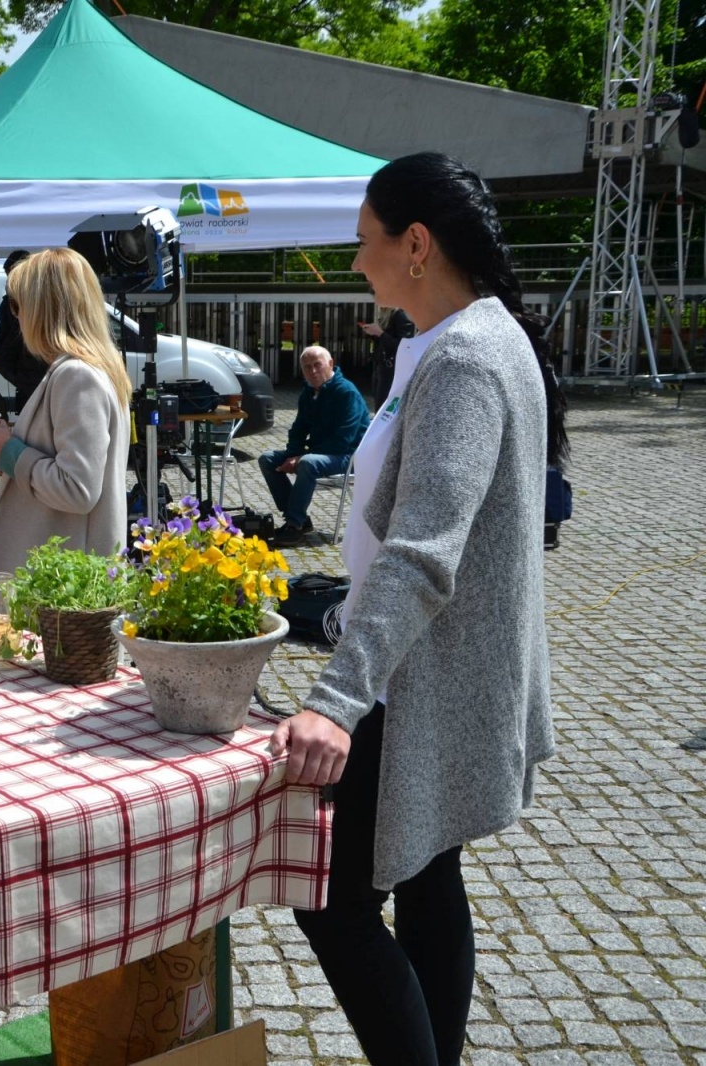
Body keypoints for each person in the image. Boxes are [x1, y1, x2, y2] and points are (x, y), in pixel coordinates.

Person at [269, 152, 568, 1066]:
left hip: (417, 686)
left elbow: (426, 553)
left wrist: (334, 699)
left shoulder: (470, 358)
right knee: (429, 878)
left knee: (329, 893)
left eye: (365, 243)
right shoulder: (452, 340)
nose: (356, 262)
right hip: (429, 675)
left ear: (416, 244)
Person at [0, 248, 131, 573]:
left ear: (40, 309)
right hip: (59, 579)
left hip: (58, 587)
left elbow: (76, 489)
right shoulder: (88, 368)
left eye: (16, 305)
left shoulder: (76, 375)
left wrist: (8, 450)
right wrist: (6, 456)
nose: (15, 316)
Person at [258, 345, 371, 546]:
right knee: (267, 459)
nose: (313, 371)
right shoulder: (308, 393)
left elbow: (343, 439)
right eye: (307, 367)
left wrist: (300, 459)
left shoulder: (346, 393)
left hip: (350, 456)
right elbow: (298, 429)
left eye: (317, 365)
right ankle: (300, 520)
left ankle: (294, 525)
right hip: (324, 453)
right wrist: (293, 454)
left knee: (308, 463)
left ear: (330, 364)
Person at [0, 249, 48, 415]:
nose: (10, 280)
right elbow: (7, 332)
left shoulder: (37, 300)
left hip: (34, 371)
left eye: (12, 274)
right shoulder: (12, 301)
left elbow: (14, 334)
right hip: (29, 372)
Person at [360, 307, 415, 407]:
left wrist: (380, 333)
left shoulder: (400, 315)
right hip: (381, 366)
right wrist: (374, 334)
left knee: (385, 405)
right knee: (378, 402)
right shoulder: (386, 315)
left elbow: (404, 346)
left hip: (391, 369)